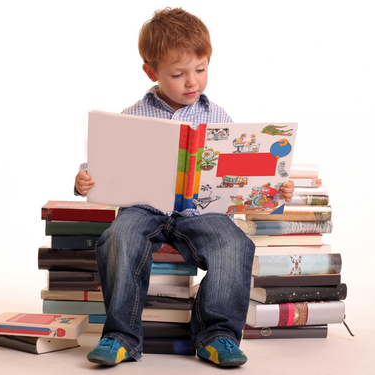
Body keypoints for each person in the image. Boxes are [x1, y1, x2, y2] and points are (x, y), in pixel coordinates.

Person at [75, 7, 295, 367]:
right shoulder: (132, 115)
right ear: (151, 72)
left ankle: (217, 335)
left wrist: (274, 188)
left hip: (200, 210)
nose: (192, 82)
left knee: (234, 243)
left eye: (201, 69)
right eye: (178, 74)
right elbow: (101, 164)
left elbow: (240, 172)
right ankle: (121, 336)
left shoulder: (218, 117)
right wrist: (84, 178)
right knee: (119, 237)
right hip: (143, 207)